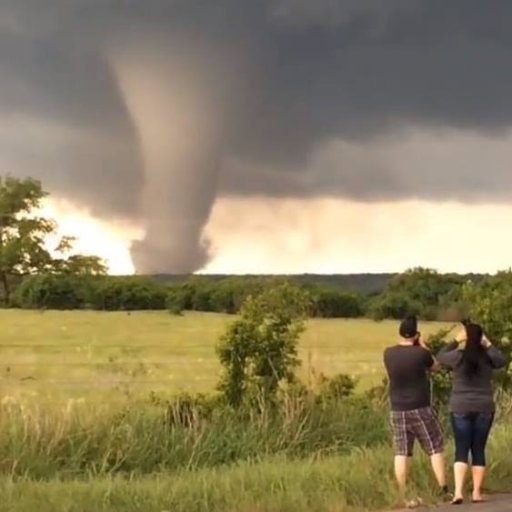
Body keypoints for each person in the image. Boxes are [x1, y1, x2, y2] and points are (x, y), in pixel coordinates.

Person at [437, 321, 506, 505]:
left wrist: (455, 339)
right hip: (484, 406)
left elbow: (441, 355)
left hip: (460, 406)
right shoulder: (488, 358)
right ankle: (476, 492)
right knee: (478, 449)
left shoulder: (458, 357)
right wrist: (488, 344)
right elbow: (502, 360)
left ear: (466, 337)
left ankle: (458, 492)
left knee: (461, 448)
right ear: (481, 338)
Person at [383, 315, 448, 508]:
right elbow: (436, 367)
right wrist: (424, 346)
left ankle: (402, 493)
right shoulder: (421, 353)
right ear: (416, 334)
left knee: (402, 451)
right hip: (420, 406)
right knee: (434, 446)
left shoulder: (388, 353)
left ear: (400, 333)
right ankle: (443, 487)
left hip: (397, 408)